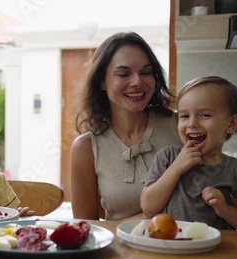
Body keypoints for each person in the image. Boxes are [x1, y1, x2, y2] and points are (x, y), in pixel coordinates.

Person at [70, 32, 182, 221]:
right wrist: (150, 216)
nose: (137, 82)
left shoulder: (182, 125)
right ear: (102, 82)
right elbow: (87, 228)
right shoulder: (86, 147)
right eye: (123, 74)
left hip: (187, 245)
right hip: (122, 249)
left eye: (146, 72)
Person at [141, 76, 237, 232]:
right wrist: (176, 168)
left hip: (216, 254)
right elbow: (148, 209)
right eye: (185, 116)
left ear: (231, 124)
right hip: (171, 248)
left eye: (205, 115)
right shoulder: (167, 158)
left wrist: (227, 210)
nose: (192, 123)